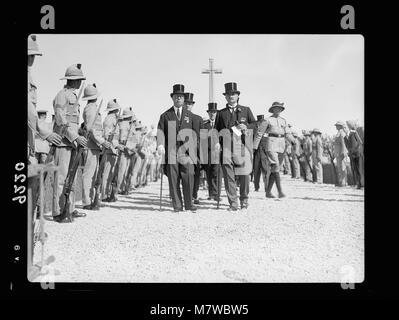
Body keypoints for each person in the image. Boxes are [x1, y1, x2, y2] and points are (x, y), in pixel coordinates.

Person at [52, 63, 87, 223]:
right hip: (63, 142)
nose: (80, 82)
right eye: (78, 79)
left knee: (71, 178)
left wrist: (79, 135)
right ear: (73, 80)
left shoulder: (73, 96)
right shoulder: (62, 95)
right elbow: (61, 120)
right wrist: (75, 137)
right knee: (61, 178)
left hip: (73, 142)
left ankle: (70, 208)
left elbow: (73, 121)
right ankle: (58, 212)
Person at [215, 82, 256, 210]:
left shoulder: (246, 110)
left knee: (244, 175)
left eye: (233, 94)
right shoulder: (221, 113)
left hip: (242, 146)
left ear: (238, 96)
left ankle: (244, 199)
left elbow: (255, 125)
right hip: (226, 147)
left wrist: (247, 126)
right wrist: (216, 142)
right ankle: (233, 202)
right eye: (228, 94)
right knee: (228, 176)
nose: (231, 96)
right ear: (225, 97)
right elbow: (216, 130)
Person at [157, 84, 197, 212]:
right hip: (172, 151)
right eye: (176, 96)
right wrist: (160, 145)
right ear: (172, 98)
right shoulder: (165, 115)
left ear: (184, 99)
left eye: (181, 96)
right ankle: (177, 205)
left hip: (186, 152)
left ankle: (189, 204)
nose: (178, 98)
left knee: (189, 175)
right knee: (173, 178)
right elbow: (160, 132)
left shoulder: (190, 116)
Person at [253, 101, 295, 198]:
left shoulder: (283, 121)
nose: (278, 110)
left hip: (281, 144)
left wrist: (293, 141)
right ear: (273, 109)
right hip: (271, 143)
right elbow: (260, 133)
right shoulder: (267, 120)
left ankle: (268, 192)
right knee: (275, 165)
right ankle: (280, 191)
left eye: (280, 108)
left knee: (275, 168)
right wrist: (255, 146)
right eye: (276, 108)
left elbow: (287, 133)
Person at [81, 84, 112, 210]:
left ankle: (92, 199)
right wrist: (102, 141)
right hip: (90, 145)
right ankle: (86, 201)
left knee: (94, 174)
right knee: (88, 174)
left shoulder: (93, 107)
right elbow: (91, 129)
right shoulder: (91, 108)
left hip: (94, 145)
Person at [100, 99, 121, 202]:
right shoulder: (109, 119)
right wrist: (116, 145)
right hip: (110, 149)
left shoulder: (114, 118)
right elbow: (107, 135)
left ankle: (108, 193)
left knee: (110, 174)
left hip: (114, 149)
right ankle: (103, 194)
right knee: (106, 173)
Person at [184, 92, 203, 205]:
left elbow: (203, 136)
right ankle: (186, 195)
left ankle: (194, 194)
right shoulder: (178, 118)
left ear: (192, 105)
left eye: (190, 103)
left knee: (195, 174)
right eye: (186, 103)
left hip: (195, 151)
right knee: (185, 174)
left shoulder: (198, 118)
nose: (188, 105)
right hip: (181, 151)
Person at [201, 103, 222, 201]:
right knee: (209, 173)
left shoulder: (220, 124)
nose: (212, 114)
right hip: (208, 152)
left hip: (218, 152)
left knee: (217, 173)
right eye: (210, 112)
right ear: (208, 113)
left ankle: (217, 194)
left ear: (216, 113)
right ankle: (211, 194)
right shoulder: (205, 125)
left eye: (214, 112)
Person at [252, 114, 269, 193]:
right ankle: (256, 187)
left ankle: (267, 187)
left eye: (261, 122)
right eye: (259, 122)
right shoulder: (254, 130)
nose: (260, 124)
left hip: (264, 152)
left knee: (265, 170)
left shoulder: (267, 130)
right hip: (256, 152)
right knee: (256, 170)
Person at [345, 120, 362, 189]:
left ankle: (359, 184)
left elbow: (360, 142)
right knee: (354, 169)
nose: (347, 126)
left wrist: (354, 150)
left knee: (357, 169)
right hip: (352, 153)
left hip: (355, 153)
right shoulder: (350, 133)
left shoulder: (355, 133)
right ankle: (356, 183)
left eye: (348, 125)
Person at [333, 121, 348, 187]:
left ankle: (344, 182)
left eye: (337, 125)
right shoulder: (339, 133)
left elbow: (343, 143)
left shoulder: (341, 133)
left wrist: (343, 152)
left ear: (340, 126)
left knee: (342, 167)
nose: (336, 126)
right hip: (338, 153)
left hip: (341, 152)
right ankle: (341, 182)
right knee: (339, 167)